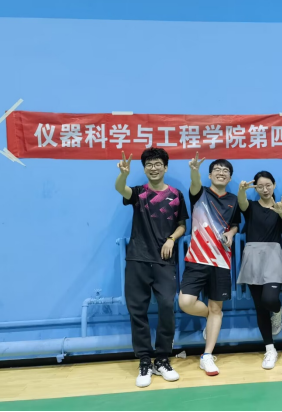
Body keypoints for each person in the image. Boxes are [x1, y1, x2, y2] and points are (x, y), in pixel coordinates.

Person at [115, 148, 189, 388]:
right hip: (137, 258)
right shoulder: (139, 193)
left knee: (167, 306)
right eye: (149, 164)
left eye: (158, 164)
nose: (154, 168)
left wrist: (172, 239)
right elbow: (121, 189)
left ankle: (163, 359)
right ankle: (145, 361)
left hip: (164, 261)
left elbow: (182, 225)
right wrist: (123, 175)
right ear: (144, 168)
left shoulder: (176, 195)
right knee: (137, 310)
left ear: (165, 167)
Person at [178, 152, 242, 377]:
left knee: (217, 309)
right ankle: (210, 317)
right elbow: (194, 182)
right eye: (217, 170)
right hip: (196, 258)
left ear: (230, 177)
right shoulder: (200, 193)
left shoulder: (234, 199)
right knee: (186, 302)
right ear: (209, 175)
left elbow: (235, 224)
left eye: (226, 171)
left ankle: (207, 356)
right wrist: (194, 171)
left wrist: (232, 233)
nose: (221, 173)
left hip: (221, 261)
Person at [237, 171, 282, 370]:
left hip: (273, 255)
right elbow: (242, 203)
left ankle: (277, 310)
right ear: (256, 188)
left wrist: (281, 211)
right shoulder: (250, 206)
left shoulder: (280, 206)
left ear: (274, 185)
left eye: (268, 185)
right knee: (259, 306)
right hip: (252, 256)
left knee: (269, 300)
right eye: (260, 186)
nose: (265, 189)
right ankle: (270, 349)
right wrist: (242, 191)